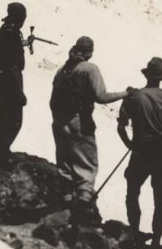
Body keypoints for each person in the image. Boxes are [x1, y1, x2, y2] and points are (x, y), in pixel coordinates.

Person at [49, 36, 129, 226]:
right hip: (80, 122)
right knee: (87, 165)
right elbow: (101, 96)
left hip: (60, 122)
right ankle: (82, 212)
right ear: (90, 52)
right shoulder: (90, 69)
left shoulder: (63, 70)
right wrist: (126, 93)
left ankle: (66, 205)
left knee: (66, 164)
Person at [117, 57, 162, 249]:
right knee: (161, 198)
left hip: (141, 150)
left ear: (146, 75)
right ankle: (156, 242)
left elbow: (121, 127)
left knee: (133, 192)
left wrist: (130, 145)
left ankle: (134, 232)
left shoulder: (134, 96)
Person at [0, 2, 33, 161]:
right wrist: (19, 92)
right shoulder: (11, 34)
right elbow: (11, 63)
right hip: (10, 84)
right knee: (14, 121)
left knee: (4, 119)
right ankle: (1, 152)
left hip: (2, 83)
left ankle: (0, 150)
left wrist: (25, 42)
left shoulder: (7, 31)